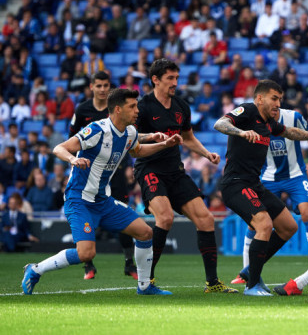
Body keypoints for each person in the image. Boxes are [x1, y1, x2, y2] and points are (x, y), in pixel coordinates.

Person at [22, 89, 182, 296]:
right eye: (132, 107)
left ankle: (144, 287)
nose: (137, 111)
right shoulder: (97, 130)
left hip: (102, 200)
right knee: (86, 253)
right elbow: (59, 148)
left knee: (145, 233)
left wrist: (163, 144)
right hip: (79, 199)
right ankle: (35, 270)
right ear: (117, 109)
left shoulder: (130, 132)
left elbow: (137, 150)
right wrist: (72, 159)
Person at [213, 80, 308, 296]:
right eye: (274, 98)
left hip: (254, 184)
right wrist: (240, 133)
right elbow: (220, 124)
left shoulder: (269, 122)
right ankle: (252, 285)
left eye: (280, 99)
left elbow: (289, 132)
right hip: (235, 184)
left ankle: (251, 270)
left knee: (289, 226)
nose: (278, 103)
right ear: (259, 98)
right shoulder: (248, 111)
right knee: (264, 224)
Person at [134, 59, 234, 294]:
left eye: (177, 78)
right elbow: (132, 139)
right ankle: (146, 282)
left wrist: (206, 153)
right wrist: (155, 138)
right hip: (149, 169)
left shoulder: (181, 106)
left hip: (175, 171)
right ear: (155, 80)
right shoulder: (143, 107)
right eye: (170, 78)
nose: (175, 83)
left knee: (206, 219)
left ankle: (213, 283)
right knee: (166, 217)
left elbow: (187, 138)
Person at [231, 108, 308, 286]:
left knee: (307, 213)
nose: (274, 104)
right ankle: (245, 273)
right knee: (254, 222)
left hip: (295, 175)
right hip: (268, 177)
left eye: (277, 99)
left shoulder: (293, 117)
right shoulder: (255, 119)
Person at [68, 71, 137, 280]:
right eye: (98, 85)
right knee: (87, 215)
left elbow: (128, 139)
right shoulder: (83, 110)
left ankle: (129, 262)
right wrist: (73, 163)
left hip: (114, 172)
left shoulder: (119, 110)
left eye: (106, 85)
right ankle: (88, 264)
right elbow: (72, 139)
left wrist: (127, 165)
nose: (102, 89)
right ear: (92, 87)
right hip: (89, 173)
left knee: (124, 215)